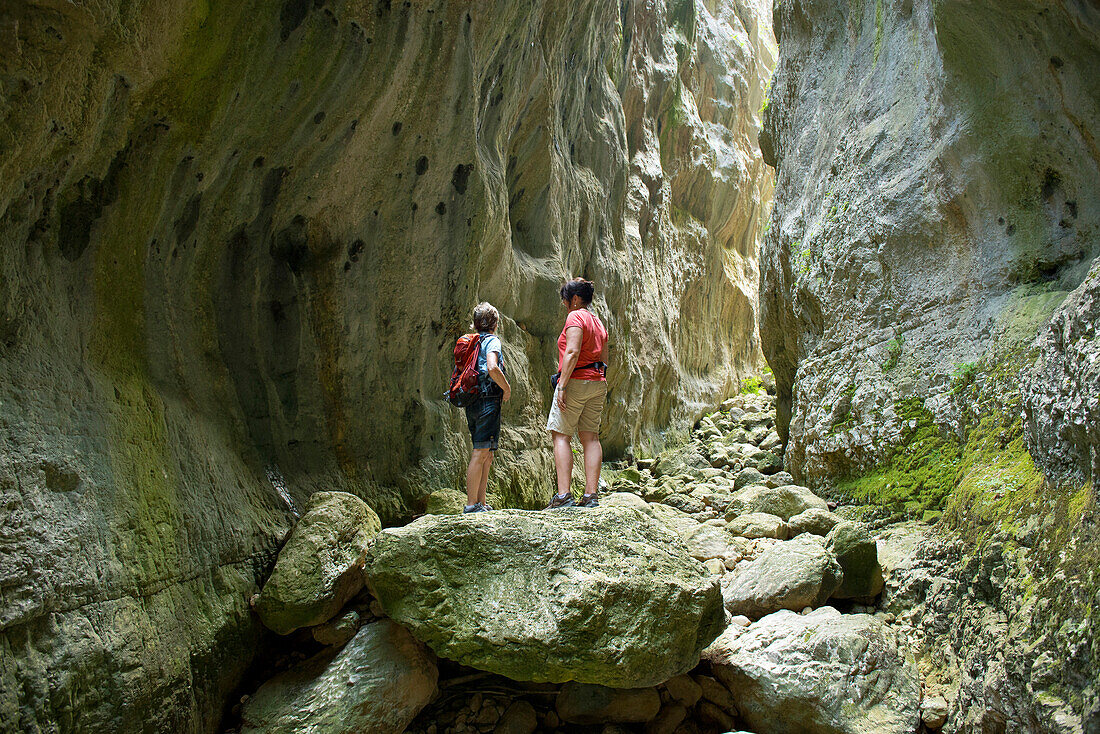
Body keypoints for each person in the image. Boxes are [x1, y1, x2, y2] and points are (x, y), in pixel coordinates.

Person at [545, 278, 608, 509]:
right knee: (591, 437)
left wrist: (562, 385)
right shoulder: (598, 322)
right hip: (597, 381)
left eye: (564, 300)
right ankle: (591, 495)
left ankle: (564, 495)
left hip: (575, 381)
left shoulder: (575, 316)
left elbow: (571, 351)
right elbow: (605, 357)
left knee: (561, 435)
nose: (564, 304)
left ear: (573, 299)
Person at [464, 302, 511, 513]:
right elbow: (492, 367)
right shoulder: (492, 341)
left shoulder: (472, 342)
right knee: (481, 451)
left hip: (473, 399)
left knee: (487, 453)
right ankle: (471, 504)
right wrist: (506, 388)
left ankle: (480, 502)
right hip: (488, 398)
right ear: (495, 324)